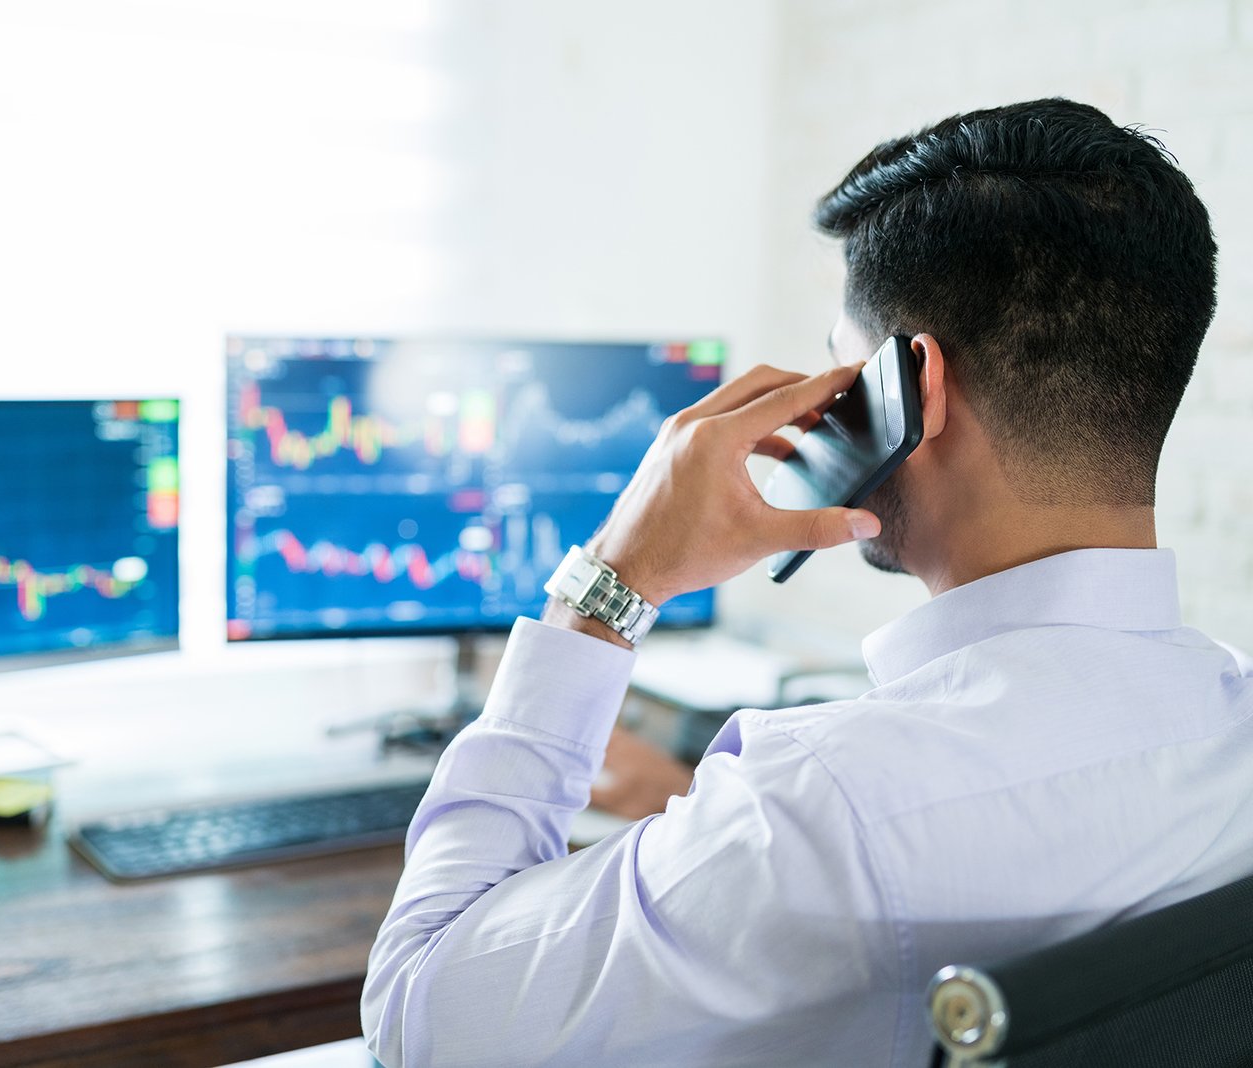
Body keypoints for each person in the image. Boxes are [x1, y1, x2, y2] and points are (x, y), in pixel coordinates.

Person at [360, 98, 1253, 1067]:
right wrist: (704, 811)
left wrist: (606, 588)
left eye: (841, 368)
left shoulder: (822, 810)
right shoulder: (1229, 720)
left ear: (914, 389)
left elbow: (420, 1015)